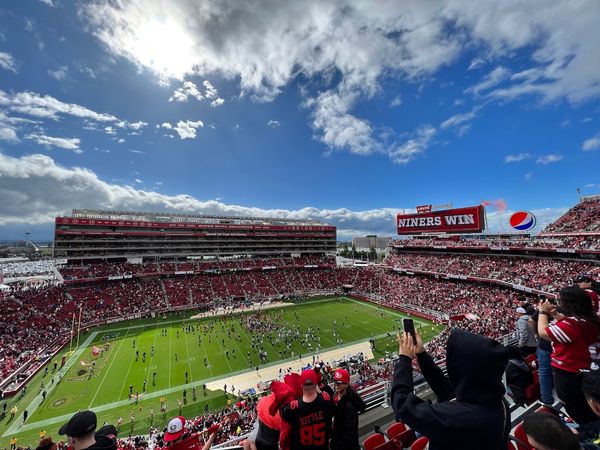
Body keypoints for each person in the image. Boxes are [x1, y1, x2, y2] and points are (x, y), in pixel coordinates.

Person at [392, 329, 510, 450]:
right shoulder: (493, 399)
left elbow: (403, 405)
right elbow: (445, 389)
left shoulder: (460, 417)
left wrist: (404, 360)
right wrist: (421, 354)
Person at [538, 286, 600, 426]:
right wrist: (555, 314)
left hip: (570, 373)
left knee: (578, 409)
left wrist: (543, 312)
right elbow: (570, 325)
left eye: (559, 300)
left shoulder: (571, 326)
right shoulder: (591, 318)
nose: (558, 303)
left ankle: (589, 434)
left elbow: (543, 332)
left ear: (569, 303)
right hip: (586, 368)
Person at [280, 369, 335, 450]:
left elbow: (283, 418)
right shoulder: (327, 401)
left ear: (301, 385)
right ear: (316, 384)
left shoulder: (292, 408)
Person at [330, 368, 366, 450]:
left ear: (346, 384)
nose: (336, 385)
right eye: (335, 382)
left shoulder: (349, 406)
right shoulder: (336, 394)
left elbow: (349, 434)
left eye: (339, 383)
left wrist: (336, 446)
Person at [530, 307, 555, 405]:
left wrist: (537, 333)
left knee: (544, 372)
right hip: (560, 345)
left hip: (546, 345)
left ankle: (547, 398)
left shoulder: (545, 308)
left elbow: (531, 320)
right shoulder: (571, 309)